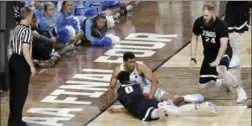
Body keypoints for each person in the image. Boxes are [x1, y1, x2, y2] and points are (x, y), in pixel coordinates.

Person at [100, 52, 205, 111]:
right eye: (130, 62)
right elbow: (111, 88)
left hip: (148, 88)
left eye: (134, 61)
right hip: (134, 95)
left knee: (174, 99)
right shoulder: (118, 70)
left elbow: (154, 80)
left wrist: (151, 94)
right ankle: (161, 106)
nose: (133, 64)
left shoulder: (140, 67)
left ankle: (185, 98)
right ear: (124, 62)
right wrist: (108, 103)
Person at [189, 2, 247, 103]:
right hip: (209, 55)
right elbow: (194, 38)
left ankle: (240, 91)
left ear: (213, 13)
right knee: (203, 85)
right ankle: (225, 83)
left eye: (207, 15)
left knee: (221, 69)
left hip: (224, 51)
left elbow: (224, 45)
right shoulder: (199, 22)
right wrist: (193, 58)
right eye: (204, 15)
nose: (205, 17)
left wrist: (218, 59)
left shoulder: (221, 24)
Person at [107, 71, 219, 120]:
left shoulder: (120, 93)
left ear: (119, 81)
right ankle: (195, 105)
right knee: (173, 108)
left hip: (142, 107)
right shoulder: (137, 84)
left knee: (158, 113)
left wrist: (119, 110)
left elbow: (130, 105)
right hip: (150, 98)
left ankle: (162, 108)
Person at [8, 7, 36, 126]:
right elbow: (25, 50)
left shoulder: (14, 28)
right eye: (31, 17)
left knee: (14, 93)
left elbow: (9, 46)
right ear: (28, 16)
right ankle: (16, 122)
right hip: (21, 61)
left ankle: (14, 120)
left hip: (13, 59)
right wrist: (32, 66)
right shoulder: (27, 30)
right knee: (21, 93)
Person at [224, 1, 252, 68]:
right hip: (230, 6)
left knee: (237, 34)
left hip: (242, 6)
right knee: (229, 33)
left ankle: (237, 57)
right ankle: (233, 55)